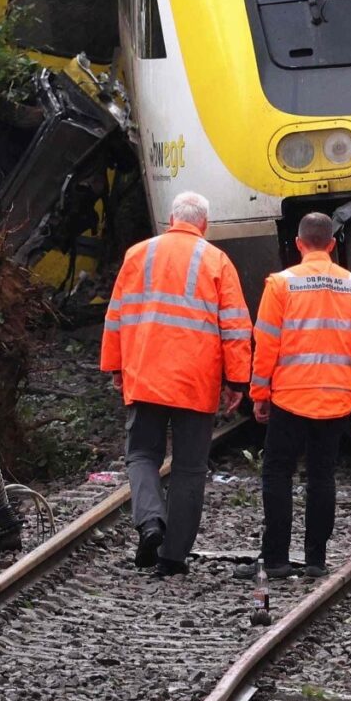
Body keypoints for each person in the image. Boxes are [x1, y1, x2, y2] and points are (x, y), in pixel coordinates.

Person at [99, 190, 251, 577]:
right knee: (188, 468)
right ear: (205, 225)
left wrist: (116, 366)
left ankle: (150, 522)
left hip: (146, 374)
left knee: (142, 456)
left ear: (171, 218)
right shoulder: (216, 260)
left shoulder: (137, 255)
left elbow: (115, 316)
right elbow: (235, 326)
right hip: (194, 381)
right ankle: (173, 556)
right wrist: (237, 380)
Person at [239, 211, 351, 579]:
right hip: (336, 397)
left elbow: (266, 342)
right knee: (322, 476)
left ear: (298, 244)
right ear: (333, 244)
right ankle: (316, 559)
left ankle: (277, 560)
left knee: (278, 473)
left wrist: (259, 392)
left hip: (290, 397)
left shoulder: (281, 284)